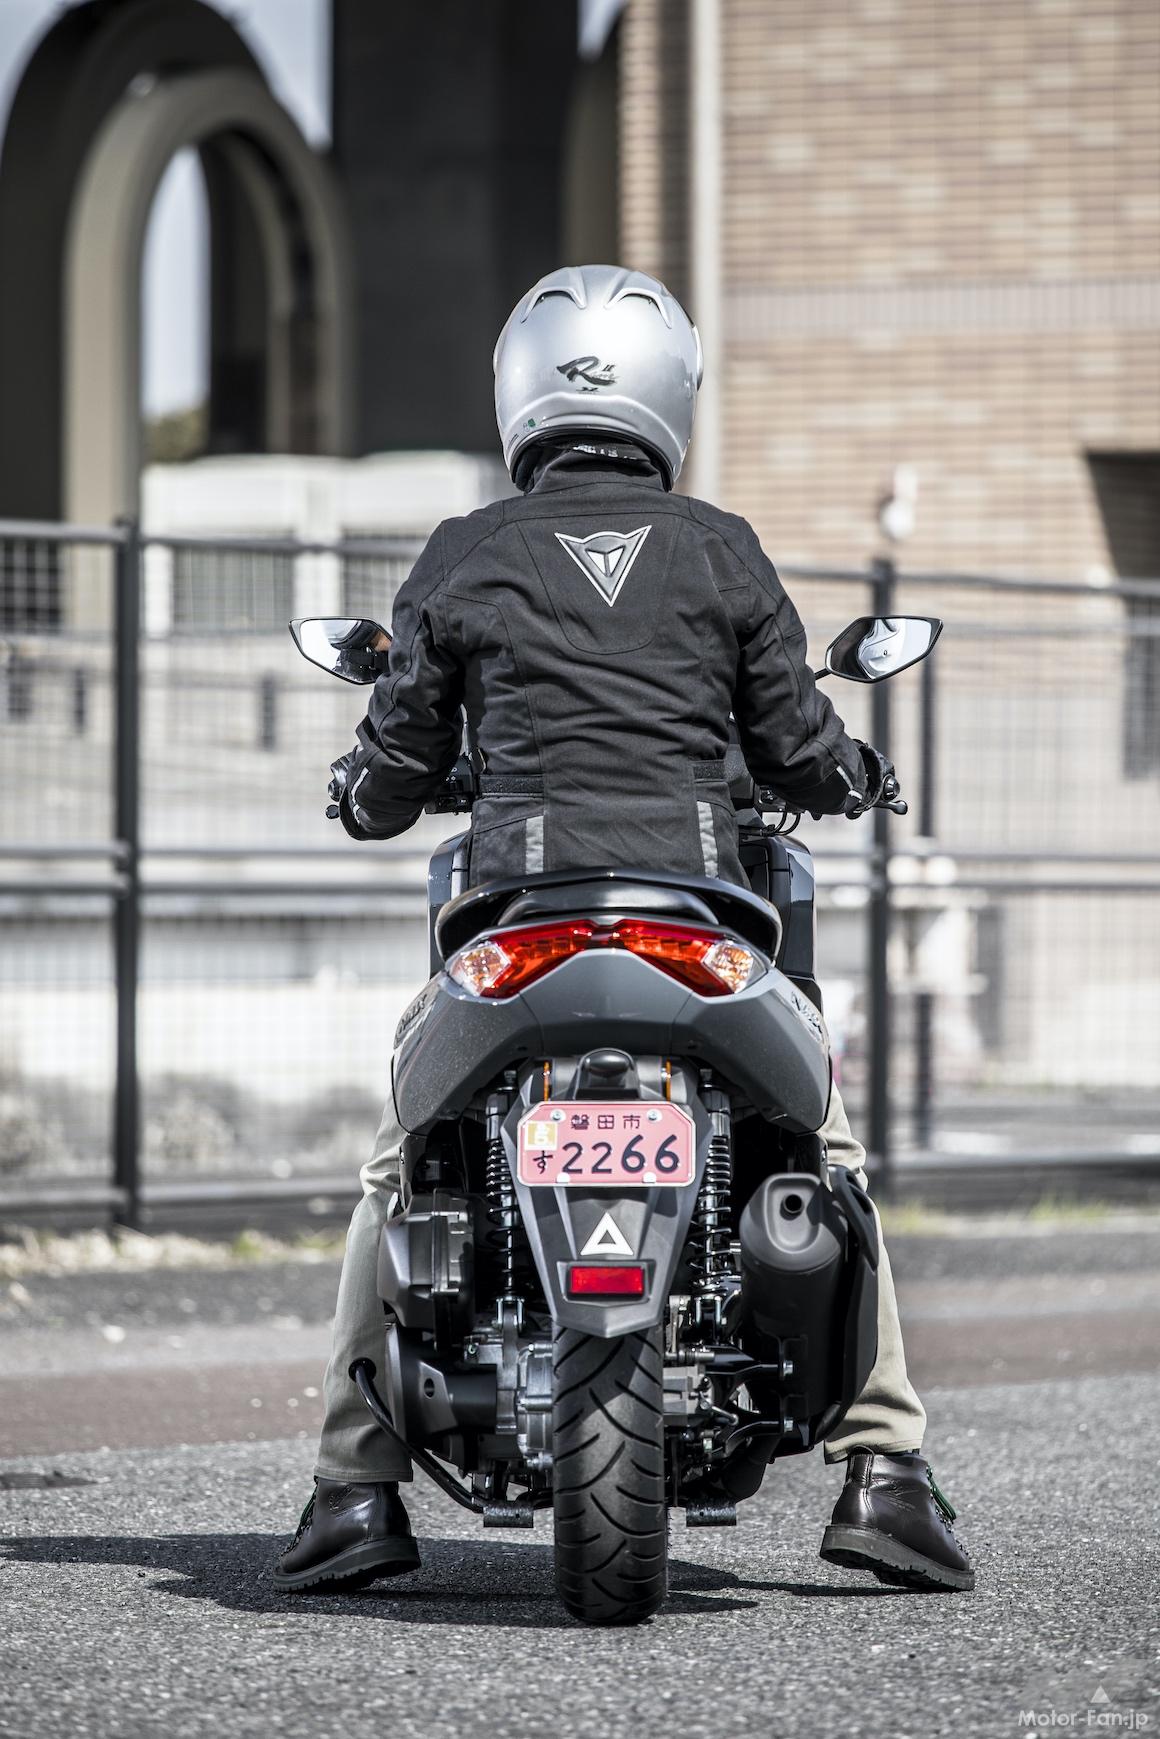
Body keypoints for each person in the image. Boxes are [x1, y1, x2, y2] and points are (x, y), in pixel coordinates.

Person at [273, 265, 973, 1596]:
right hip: (700, 928)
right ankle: (884, 1473)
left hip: (520, 933)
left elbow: (395, 764)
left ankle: (354, 1491)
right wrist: (854, 774)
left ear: (519, 395)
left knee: (401, 1170)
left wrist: (363, 789)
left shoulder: (464, 552)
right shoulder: (721, 548)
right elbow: (799, 742)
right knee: (825, 1153)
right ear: (669, 398)